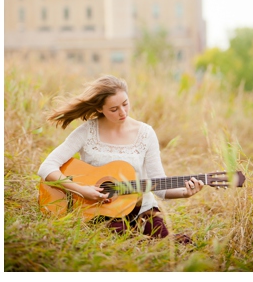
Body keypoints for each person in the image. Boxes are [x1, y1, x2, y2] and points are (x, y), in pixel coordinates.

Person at [37, 75, 202, 243]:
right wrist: (81, 190)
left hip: (141, 209)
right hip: (101, 209)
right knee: (122, 236)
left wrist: (184, 193)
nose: (122, 112)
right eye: (114, 109)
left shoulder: (145, 133)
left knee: (173, 242)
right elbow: (47, 167)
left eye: (125, 104)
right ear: (100, 109)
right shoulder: (87, 131)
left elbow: (159, 185)